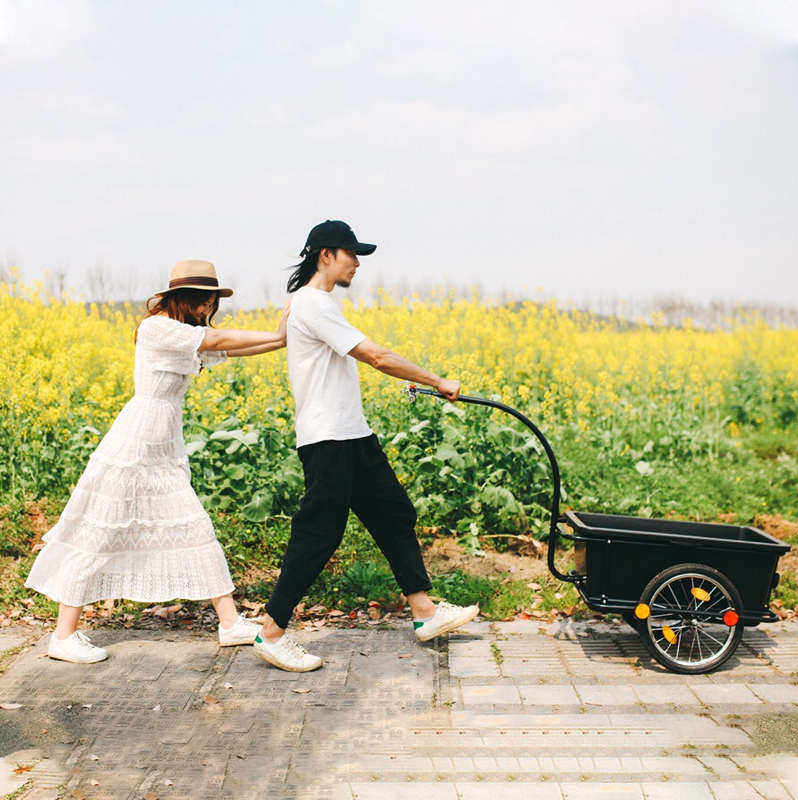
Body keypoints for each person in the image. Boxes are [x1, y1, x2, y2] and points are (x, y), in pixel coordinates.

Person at [25, 260, 289, 663]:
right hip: (135, 443)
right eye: (205, 302)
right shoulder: (159, 328)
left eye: (211, 302)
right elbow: (217, 343)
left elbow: (230, 349)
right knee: (100, 533)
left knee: (197, 529)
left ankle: (231, 623)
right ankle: (63, 635)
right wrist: (275, 333)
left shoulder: (187, 334)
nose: (208, 310)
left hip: (162, 446)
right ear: (186, 299)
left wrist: (281, 340)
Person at [253, 220, 479, 673]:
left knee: (393, 512)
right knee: (319, 534)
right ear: (326, 255)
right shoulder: (314, 305)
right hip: (328, 440)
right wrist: (438, 381)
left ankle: (424, 611)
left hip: (351, 434)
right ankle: (272, 632)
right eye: (351, 254)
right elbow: (376, 356)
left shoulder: (309, 303)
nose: (358, 263)